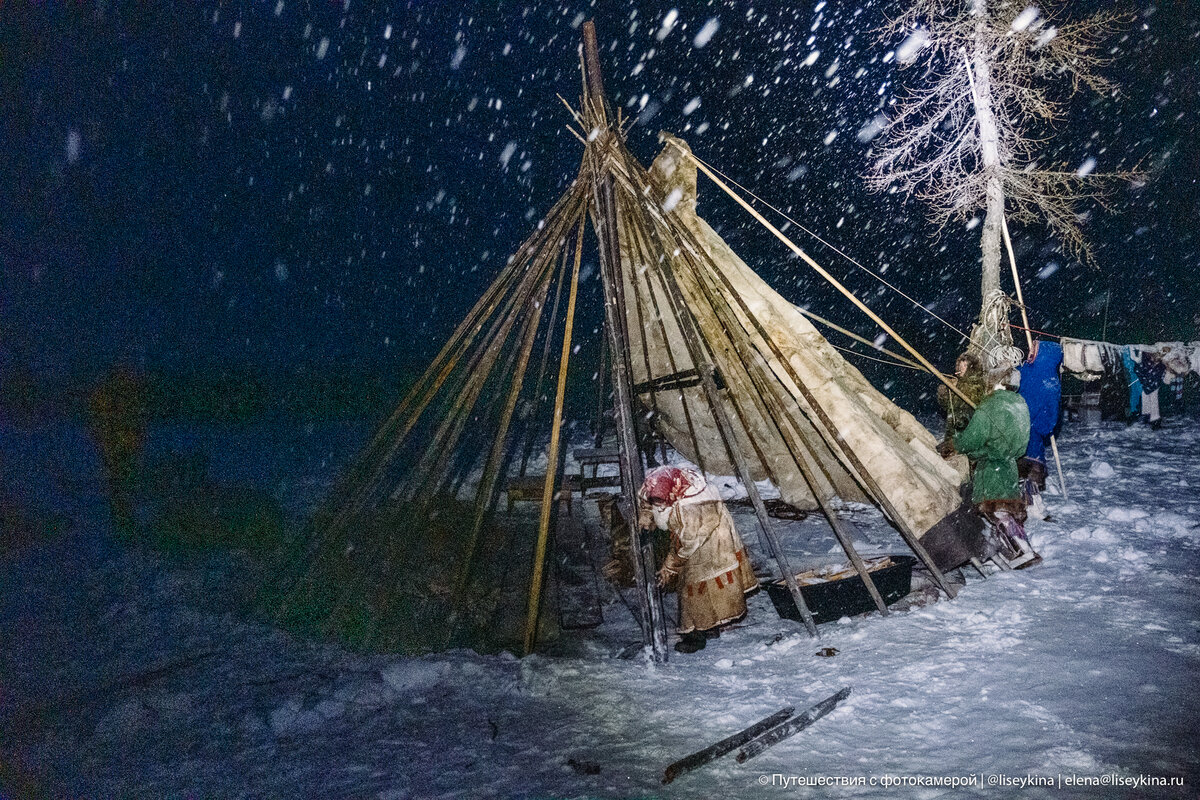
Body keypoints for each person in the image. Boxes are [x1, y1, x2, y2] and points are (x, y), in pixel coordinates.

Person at [637, 465, 756, 653]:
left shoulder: (694, 504)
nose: (659, 506)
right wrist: (646, 518)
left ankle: (695, 635)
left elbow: (688, 541)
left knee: (694, 585)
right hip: (692, 534)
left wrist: (670, 566)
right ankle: (708, 625)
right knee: (699, 587)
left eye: (661, 502)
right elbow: (646, 500)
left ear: (673, 491)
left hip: (711, 540)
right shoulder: (658, 482)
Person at [943, 371, 1040, 568]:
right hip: (1010, 466)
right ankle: (1017, 549)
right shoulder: (1019, 403)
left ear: (995, 382)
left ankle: (1021, 552)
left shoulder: (989, 407)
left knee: (998, 512)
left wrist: (953, 444)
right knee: (1007, 509)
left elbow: (972, 439)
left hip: (992, 468)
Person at [88, 364, 148, 535]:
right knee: (119, 486)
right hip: (117, 448)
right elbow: (102, 423)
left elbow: (136, 424)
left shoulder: (126, 399)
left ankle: (123, 523)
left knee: (122, 485)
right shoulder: (111, 399)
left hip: (123, 448)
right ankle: (121, 523)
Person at [937, 351, 987, 446]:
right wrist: (944, 393)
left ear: (972, 368)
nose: (961, 368)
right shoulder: (960, 383)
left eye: (965, 365)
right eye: (960, 365)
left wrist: (955, 389)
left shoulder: (975, 385)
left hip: (965, 439)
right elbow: (949, 408)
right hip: (952, 436)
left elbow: (967, 414)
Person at [1133, 350, 1166, 430]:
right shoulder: (1146, 362)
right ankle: (1149, 417)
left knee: (1152, 397)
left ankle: (1153, 419)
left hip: (1152, 383)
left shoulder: (1159, 366)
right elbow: (1139, 370)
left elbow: (1160, 374)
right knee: (1147, 396)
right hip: (1149, 383)